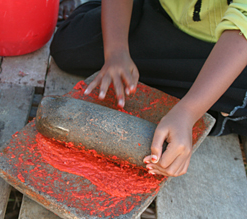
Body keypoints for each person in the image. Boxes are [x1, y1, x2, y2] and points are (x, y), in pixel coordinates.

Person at [50, 0, 247, 177]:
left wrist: (189, 111)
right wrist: (116, 51)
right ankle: (206, 100)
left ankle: (205, 105)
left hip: (231, 48)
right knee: (71, 46)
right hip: (160, 17)